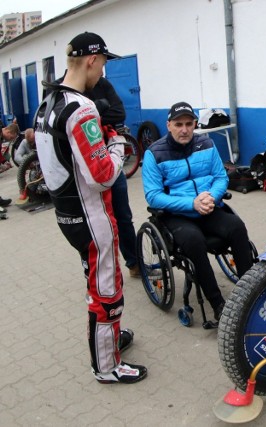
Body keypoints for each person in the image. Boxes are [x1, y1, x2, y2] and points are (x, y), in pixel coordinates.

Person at [33, 32, 147, 383]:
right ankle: (107, 367)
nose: (103, 74)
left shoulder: (46, 103)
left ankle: (109, 341)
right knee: (107, 291)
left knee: (97, 284)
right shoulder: (81, 108)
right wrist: (116, 144)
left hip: (66, 213)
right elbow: (102, 175)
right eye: (103, 65)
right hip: (92, 215)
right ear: (92, 61)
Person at [142, 101, 254, 321]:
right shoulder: (154, 154)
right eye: (178, 124)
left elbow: (221, 177)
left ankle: (249, 292)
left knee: (237, 227)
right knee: (194, 241)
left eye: (188, 124)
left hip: (208, 206)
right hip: (176, 214)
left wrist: (211, 196)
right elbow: (153, 196)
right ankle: (218, 303)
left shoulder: (207, 144)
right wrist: (191, 203)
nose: (184, 129)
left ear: (195, 124)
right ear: (169, 125)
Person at [86, 77, 140, 278]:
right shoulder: (64, 90)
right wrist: (99, 110)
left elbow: (120, 113)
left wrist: (88, 116)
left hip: (110, 159)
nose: (102, 68)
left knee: (123, 216)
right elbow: (68, 124)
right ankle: (97, 270)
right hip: (84, 165)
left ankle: (134, 263)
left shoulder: (102, 84)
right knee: (92, 223)